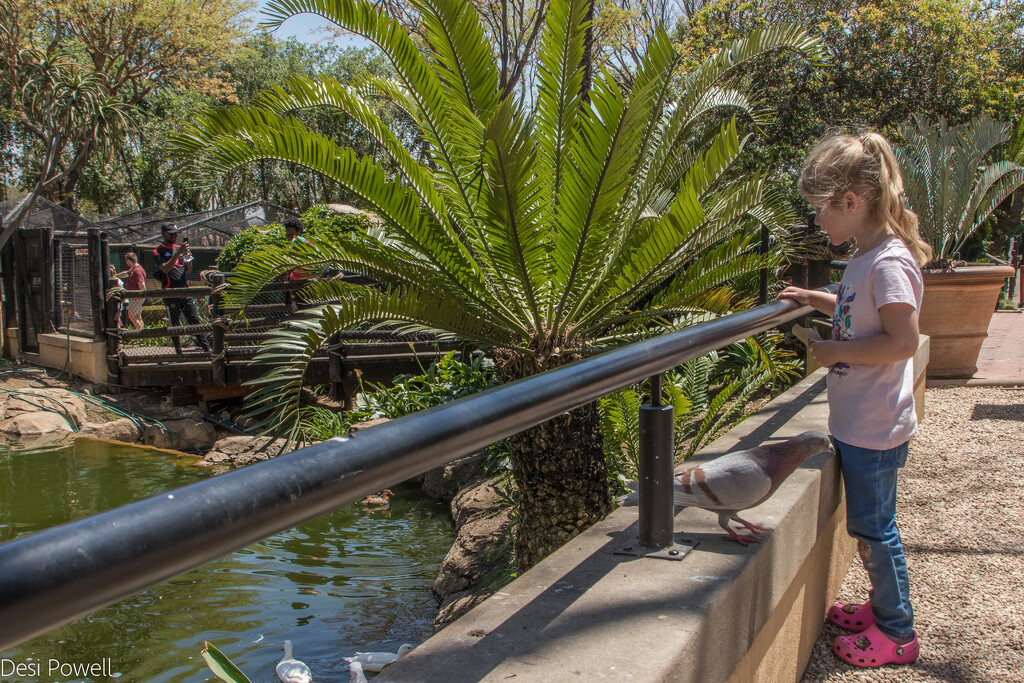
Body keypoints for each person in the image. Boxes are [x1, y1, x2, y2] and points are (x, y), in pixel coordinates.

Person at [777, 132, 930, 669]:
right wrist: (815, 299)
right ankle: (882, 608)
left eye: (821, 211)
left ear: (851, 201)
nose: (818, 223)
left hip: (874, 429)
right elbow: (857, 309)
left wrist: (832, 351)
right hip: (863, 424)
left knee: (874, 531)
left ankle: (897, 631)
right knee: (871, 525)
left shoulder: (887, 262)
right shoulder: (869, 258)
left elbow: (902, 341)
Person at [153, 222, 211, 354]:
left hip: (185, 290)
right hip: (170, 292)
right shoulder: (159, 250)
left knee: (194, 320)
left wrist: (186, 257)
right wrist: (177, 253)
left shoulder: (179, 249)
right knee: (175, 322)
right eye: (170, 233)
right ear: (163, 234)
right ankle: (178, 350)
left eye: (175, 233)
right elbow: (165, 269)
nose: (174, 235)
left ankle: (206, 348)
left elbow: (188, 270)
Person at [283, 217, 310, 312]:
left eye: (291, 234)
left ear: (299, 231)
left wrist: (286, 274)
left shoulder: (298, 241)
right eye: (288, 235)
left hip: (301, 280)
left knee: (299, 309)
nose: (290, 237)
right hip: (302, 279)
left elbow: (291, 260)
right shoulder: (304, 241)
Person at [114, 251, 146, 330]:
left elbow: (142, 286)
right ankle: (142, 334)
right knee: (137, 316)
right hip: (134, 297)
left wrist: (140, 297)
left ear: (128, 260)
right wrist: (115, 276)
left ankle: (139, 333)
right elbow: (126, 273)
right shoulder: (133, 269)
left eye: (126, 261)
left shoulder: (137, 271)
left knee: (131, 316)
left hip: (136, 297)